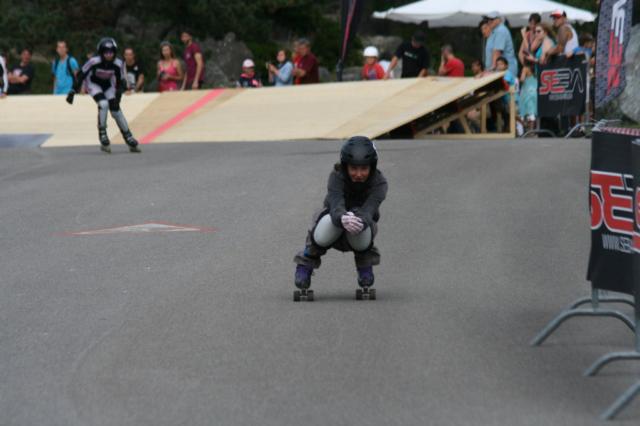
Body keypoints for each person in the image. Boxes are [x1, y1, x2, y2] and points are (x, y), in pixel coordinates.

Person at [293, 136, 388, 300]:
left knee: (362, 226)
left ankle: (365, 266)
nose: (359, 174)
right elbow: (335, 201)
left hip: (360, 227)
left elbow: (370, 209)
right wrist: (342, 217)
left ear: (372, 167)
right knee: (325, 227)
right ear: (345, 166)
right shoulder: (336, 176)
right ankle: (306, 263)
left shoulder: (380, 183)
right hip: (334, 222)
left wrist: (359, 220)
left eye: (364, 168)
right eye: (353, 168)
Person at [66, 38, 141, 154]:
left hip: (108, 85)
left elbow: (121, 81)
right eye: (106, 52)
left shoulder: (119, 63)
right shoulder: (93, 61)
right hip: (93, 84)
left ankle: (128, 136)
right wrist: (73, 91)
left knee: (116, 110)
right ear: (101, 52)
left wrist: (118, 95)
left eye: (111, 52)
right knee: (103, 104)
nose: (109, 55)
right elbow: (81, 75)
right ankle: (103, 134)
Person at [483, 12, 518, 77]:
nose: (489, 21)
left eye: (492, 19)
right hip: (499, 71)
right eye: (488, 19)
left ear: (499, 19)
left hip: (505, 72)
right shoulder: (494, 31)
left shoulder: (501, 30)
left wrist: (491, 70)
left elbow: (497, 52)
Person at [518, 64, 537, 133]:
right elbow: (522, 80)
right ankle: (526, 129)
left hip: (531, 97)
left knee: (531, 114)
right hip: (524, 97)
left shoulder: (534, 78)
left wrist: (524, 72)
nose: (523, 71)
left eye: (525, 69)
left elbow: (522, 79)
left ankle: (531, 131)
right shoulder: (527, 78)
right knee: (524, 114)